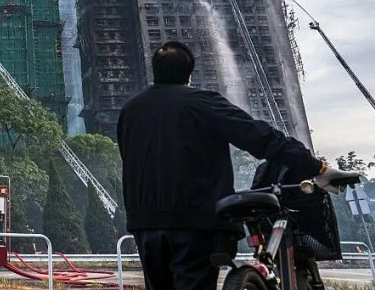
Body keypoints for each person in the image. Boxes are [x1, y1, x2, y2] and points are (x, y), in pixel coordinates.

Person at [117, 41, 355, 290]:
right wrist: (317, 167)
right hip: (195, 223)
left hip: (145, 224)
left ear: (154, 70)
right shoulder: (203, 102)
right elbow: (261, 137)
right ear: (189, 74)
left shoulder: (130, 111)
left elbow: (129, 159)